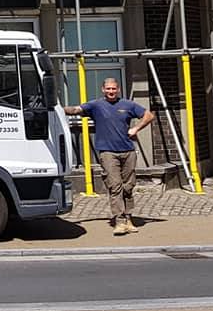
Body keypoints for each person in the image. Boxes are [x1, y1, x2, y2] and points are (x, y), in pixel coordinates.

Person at [64, 77, 154, 235]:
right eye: (108, 89)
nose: (111, 91)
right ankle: (119, 221)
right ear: (103, 90)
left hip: (127, 151)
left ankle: (129, 219)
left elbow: (148, 116)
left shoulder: (128, 105)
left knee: (128, 186)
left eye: (114, 89)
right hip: (107, 152)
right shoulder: (96, 105)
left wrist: (136, 129)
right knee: (115, 186)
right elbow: (75, 110)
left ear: (118, 89)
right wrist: (56, 108)